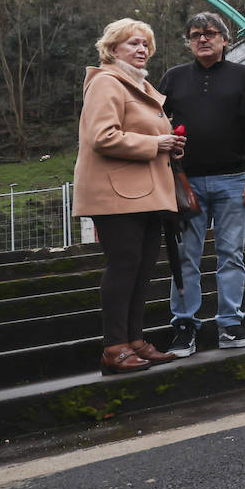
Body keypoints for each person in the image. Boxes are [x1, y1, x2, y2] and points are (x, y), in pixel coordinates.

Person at [73, 19, 182, 375]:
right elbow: (102, 136)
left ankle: (134, 340)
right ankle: (114, 346)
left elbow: (144, 136)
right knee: (123, 268)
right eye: (133, 43)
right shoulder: (105, 82)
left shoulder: (139, 86)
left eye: (145, 45)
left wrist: (170, 145)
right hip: (118, 194)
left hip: (146, 193)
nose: (141, 50)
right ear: (112, 49)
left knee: (142, 268)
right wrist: (155, 143)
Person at [158, 13, 245, 356]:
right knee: (185, 256)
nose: (202, 39)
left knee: (231, 254)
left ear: (224, 39)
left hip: (234, 179)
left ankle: (230, 324)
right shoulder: (173, 78)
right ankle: (184, 326)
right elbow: (154, 120)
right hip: (185, 181)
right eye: (195, 35)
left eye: (210, 33)